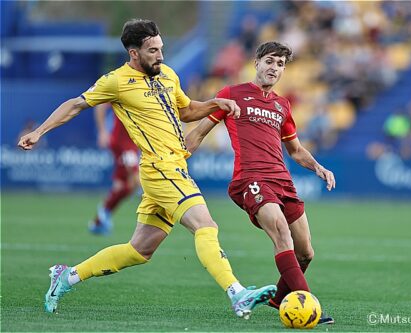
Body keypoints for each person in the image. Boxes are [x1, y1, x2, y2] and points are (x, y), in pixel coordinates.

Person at [18, 19, 276, 318]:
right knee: (206, 226)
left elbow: (187, 110)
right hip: (160, 168)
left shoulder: (167, 74)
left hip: (175, 165)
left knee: (139, 250)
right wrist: (39, 132)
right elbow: (75, 105)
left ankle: (67, 276)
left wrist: (215, 103)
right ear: (134, 53)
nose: (160, 55)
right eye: (152, 50)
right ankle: (238, 294)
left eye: (161, 48)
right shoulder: (115, 81)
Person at [185, 41, 335, 324]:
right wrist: (178, 157)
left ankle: (280, 299)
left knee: (305, 253)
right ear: (256, 62)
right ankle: (308, 305)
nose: (274, 68)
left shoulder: (282, 105)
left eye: (280, 64)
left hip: (283, 181)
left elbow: (296, 150)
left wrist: (318, 167)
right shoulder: (231, 94)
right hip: (251, 178)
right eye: (270, 61)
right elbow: (200, 131)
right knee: (282, 234)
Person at [89, 103, 140, 235]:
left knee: (123, 185)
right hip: (123, 144)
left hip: (131, 144)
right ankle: (103, 213)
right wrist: (102, 132)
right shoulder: (122, 85)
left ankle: (100, 218)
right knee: (137, 181)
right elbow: (100, 106)